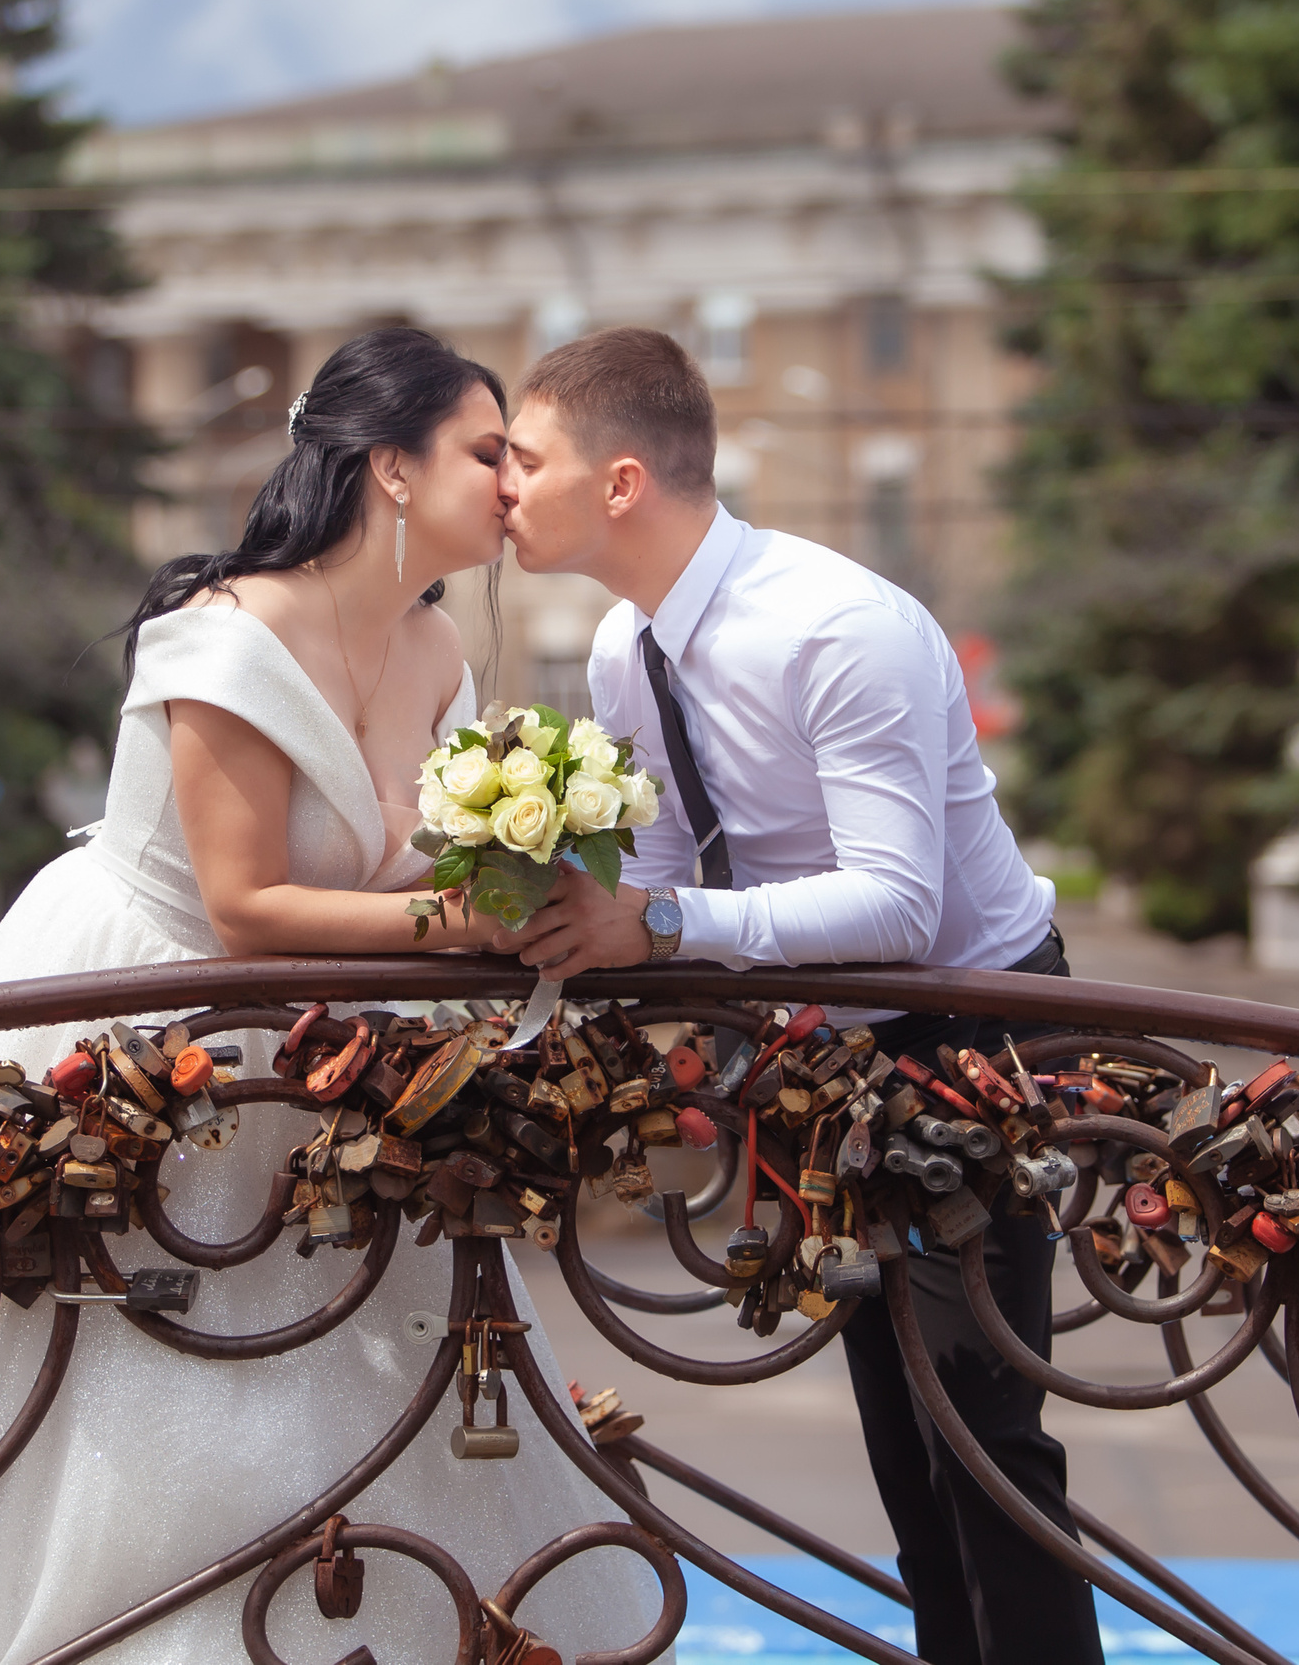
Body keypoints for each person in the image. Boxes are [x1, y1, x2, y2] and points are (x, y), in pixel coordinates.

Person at [0, 328, 660, 1665]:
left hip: (314, 1059)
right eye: (485, 453)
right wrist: (457, 916)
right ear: (392, 469)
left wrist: (525, 878)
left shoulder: (440, 655)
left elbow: (398, 860)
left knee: (346, 1361)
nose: (512, 484)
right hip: (138, 1014)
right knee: (89, 1349)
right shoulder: (226, 633)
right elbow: (244, 905)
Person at [493, 326, 1103, 1665]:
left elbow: (896, 906)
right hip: (826, 1049)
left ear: (622, 481)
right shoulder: (622, 646)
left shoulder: (839, 626)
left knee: (985, 1436)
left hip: (973, 1025)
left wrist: (653, 923)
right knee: (902, 1441)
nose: (498, 486)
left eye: (524, 458)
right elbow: (653, 869)